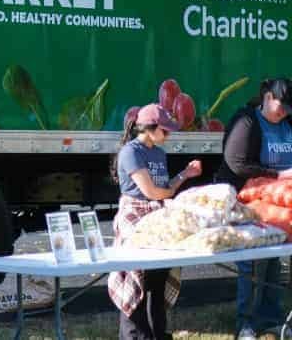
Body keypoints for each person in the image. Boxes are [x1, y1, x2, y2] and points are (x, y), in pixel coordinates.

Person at [108, 103, 202, 340]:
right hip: (136, 216)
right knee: (136, 277)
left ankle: (157, 332)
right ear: (150, 128)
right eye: (165, 131)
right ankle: (135, 335)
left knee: (158, 279)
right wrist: (171, 189)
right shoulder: (131, 152)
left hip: (157, 215)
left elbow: (165, 188)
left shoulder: (159, 153)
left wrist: (184, 175)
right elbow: (152, 192)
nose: (168, 135)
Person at [215, 77, 292, 339]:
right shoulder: (247, 121)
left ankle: (270, 317)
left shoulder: (288, 123)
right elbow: (237, 164)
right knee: (248, 261)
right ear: (268, 98)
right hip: (244, 202)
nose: (285, 112)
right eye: (282, 105)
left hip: (277, 204)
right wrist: (279, 175)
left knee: (274, 258)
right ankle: (244, 323)